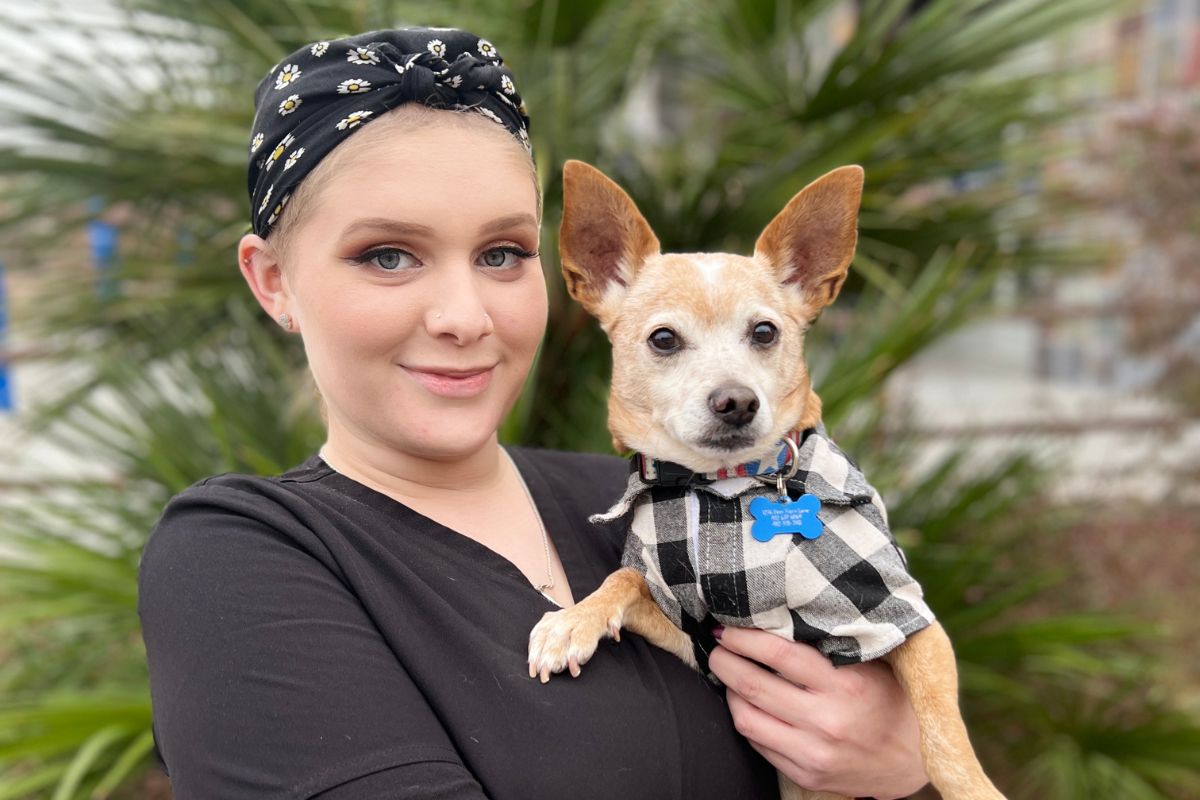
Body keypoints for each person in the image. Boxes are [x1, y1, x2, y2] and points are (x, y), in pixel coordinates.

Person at [138, 27, 930, 800]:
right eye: (388, 255)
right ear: (272, 280)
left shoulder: (657, 501)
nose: (464, 316)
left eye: (501, 255)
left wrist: (904, 763)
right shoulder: (240, 561)